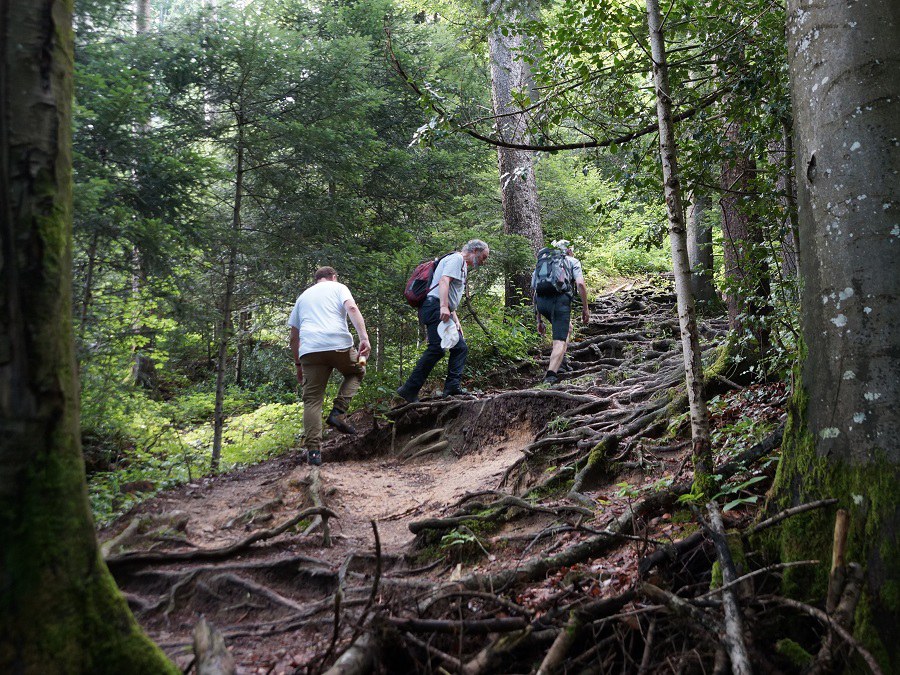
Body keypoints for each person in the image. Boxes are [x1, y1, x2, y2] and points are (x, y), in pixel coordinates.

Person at [288, 266, 371, 465]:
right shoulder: (338, 287)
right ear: (333, 277)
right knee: (358, 371)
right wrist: (364, 338)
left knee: (312, 401)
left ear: (317, 279)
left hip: (310, 350)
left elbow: (293, 337)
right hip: (338, 345)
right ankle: (338, 412)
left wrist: (299, 365)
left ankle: (314, 453)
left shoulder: (302, 298)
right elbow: (352, 308)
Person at [396, 239, 490, 403]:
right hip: (434, 308)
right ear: (475, 250)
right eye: (484, 257)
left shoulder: (461, 264)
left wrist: (454, 317)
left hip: (439, 308)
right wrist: (443, 307)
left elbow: (450, 291)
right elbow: (444, 281)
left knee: (460, 347)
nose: (484, 261)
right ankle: (409, 389)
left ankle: (451, 388)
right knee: (437, 349)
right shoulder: (457, 259)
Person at [533, 240, 590, 385]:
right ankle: (551, 376)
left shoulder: (543, 263)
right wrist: (585, 308)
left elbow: (535, 292)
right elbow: (580, 284)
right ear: (568, 250)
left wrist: (539, 320)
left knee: (568, 328)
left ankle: (562, 363)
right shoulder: (572, 261)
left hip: (542, 303)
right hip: (559, 302)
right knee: (559, 340)